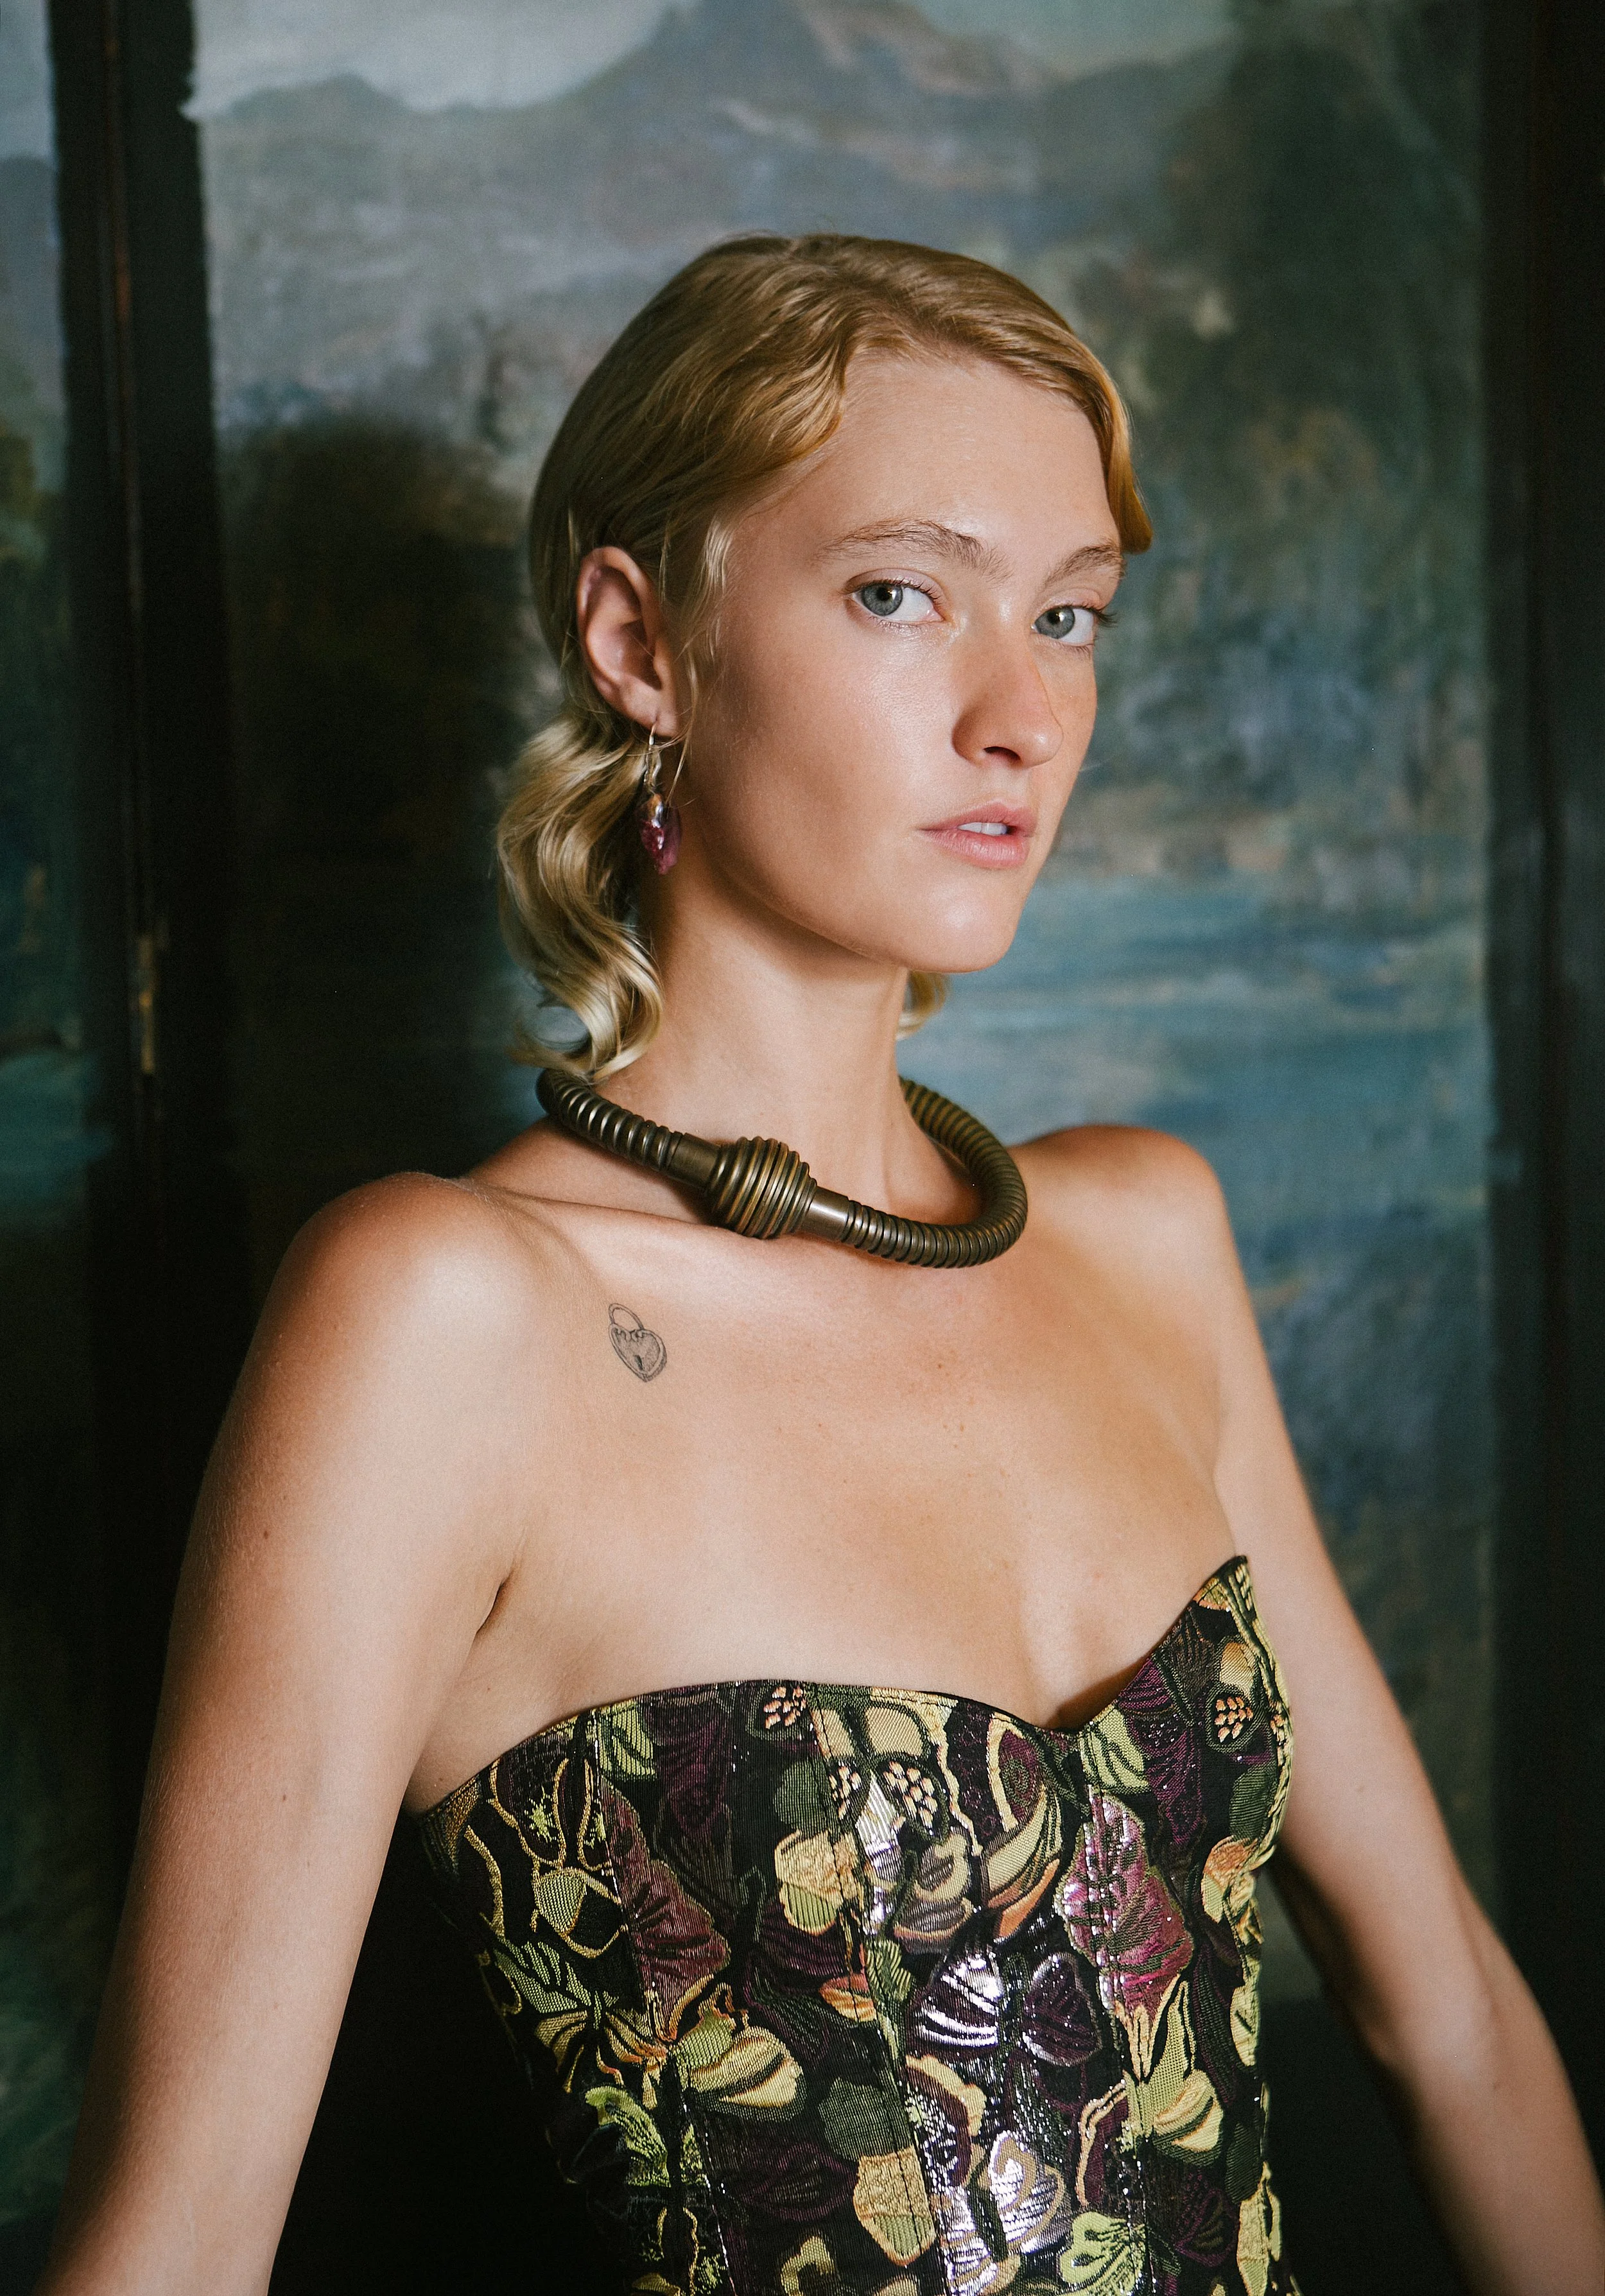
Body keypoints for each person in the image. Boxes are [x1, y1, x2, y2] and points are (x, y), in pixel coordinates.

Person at [40, 234, 1603, 2296]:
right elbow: (180, 2236)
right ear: (642, 640)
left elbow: (1453, 2020)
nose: (1019, 713)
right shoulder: (442, 1312)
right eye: (898, 593)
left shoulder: (1139, 1235)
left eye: (1068, 616)